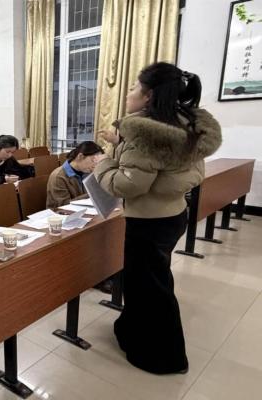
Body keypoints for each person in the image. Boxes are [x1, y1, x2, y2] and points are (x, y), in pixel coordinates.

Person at [93, 62, 222, 375]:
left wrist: (103, 163)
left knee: (149, 289)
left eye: (133, 88)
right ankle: (131, 330)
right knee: (153, 281)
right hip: (174, 214)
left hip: (148, 223)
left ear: (148, 96)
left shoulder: (146, 134)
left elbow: (128, 185)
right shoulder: (184, 123)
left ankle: (163, 357)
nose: (128, 93)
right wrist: (121, 146)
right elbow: (174, 170)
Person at [46, 141, 103, 208]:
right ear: (80, 156)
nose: (95, 166)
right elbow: (64, 205)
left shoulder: (87, 171)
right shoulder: (58, 177)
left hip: (83, 209)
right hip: (61, 212)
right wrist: (91, 194)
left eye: (97, 162)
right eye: (93, 160)